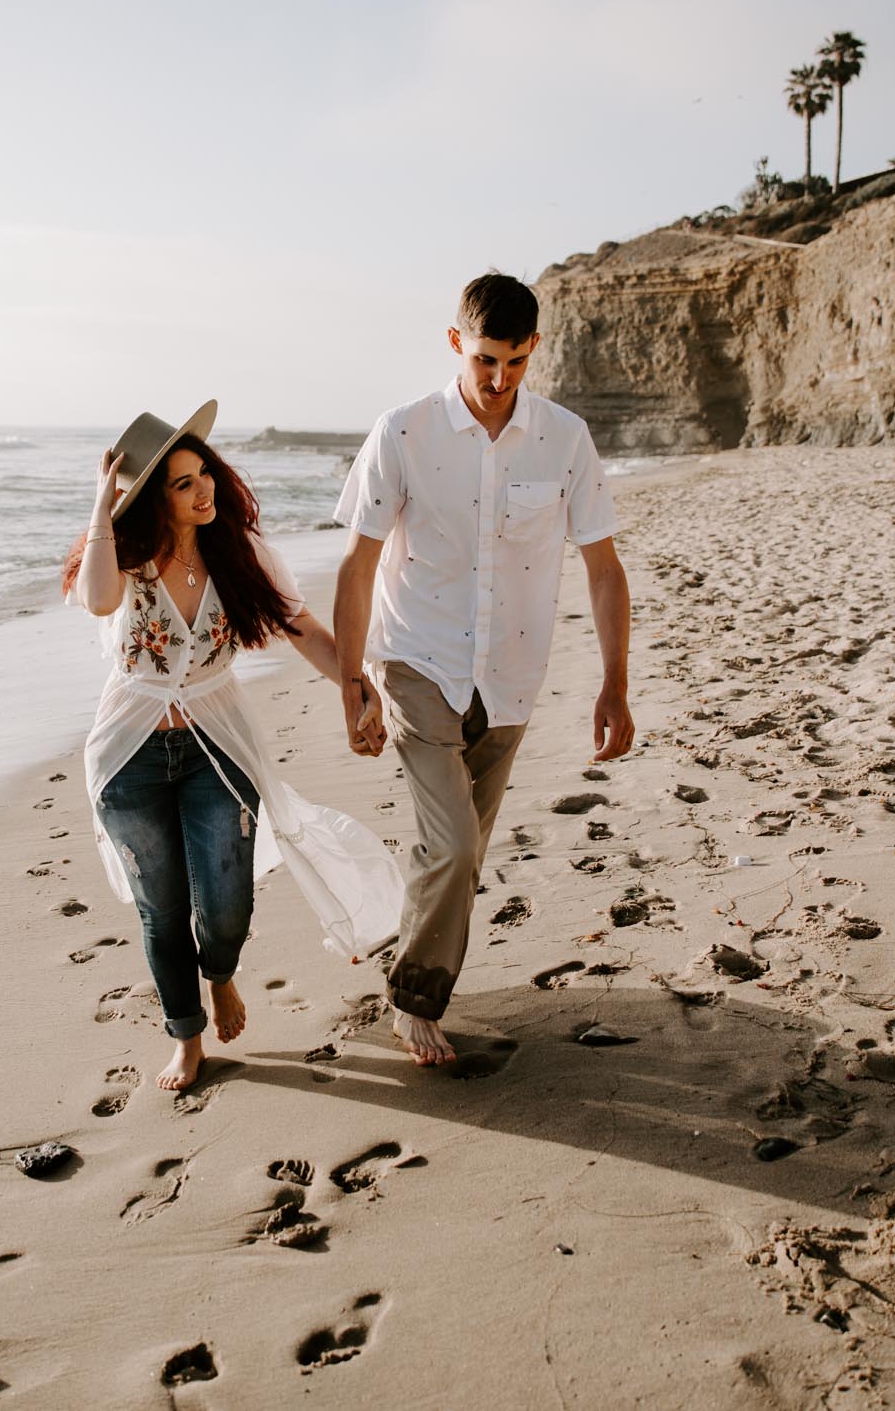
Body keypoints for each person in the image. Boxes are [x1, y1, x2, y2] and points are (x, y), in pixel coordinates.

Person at [332, 273, 636, 1067]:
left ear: (535, 348)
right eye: (483, 361)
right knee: (457, 846)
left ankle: (415, 954)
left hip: (510, 675)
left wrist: (614, 684)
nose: (498, 382)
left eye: (514, 363)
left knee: (457, 851)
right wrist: (350, 680)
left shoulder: (564, 439)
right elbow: (358, 565)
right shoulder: (401, 433)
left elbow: (604, 567)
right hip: (415, 661)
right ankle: (416, 1003)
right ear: (454, 344)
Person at [66, 401, 401, 1092]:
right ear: (153, 500)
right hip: (128, 754)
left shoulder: (239, 556)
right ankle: (186, 1040)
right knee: (161, 910)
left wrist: (356, 685)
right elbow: (99, 602)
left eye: (205, 474)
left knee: (225, 903)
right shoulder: (124, 559)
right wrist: (102, 504)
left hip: (216, 744)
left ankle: (221, 974)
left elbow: (298, 625)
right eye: (183, 483)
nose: (204, 489)